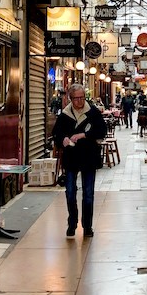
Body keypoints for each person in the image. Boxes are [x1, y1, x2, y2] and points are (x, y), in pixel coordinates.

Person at [52, 83, 107, 238]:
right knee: (70, 192)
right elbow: (56, 133)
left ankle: (87, 226)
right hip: (71, 158)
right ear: (70, 99)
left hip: (89, 157)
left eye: (82, 98)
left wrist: (83, 135)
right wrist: (63, 139)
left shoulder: (93, 112)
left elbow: (102, 130)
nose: (79, 101)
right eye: (76, 98)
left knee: (88, 194)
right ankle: (72, 223)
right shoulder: (65, 115)